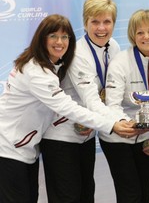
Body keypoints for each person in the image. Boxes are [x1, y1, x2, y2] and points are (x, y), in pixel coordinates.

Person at [0, 14, 134, 203]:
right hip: (8, 150)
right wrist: (112, 124)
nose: (60, 42)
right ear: (42, 38)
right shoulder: (37, 72)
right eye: (53, 36)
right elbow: (68, 107)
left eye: (65, 37)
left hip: (24, 148)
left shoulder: (48, 64)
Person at [40, 0, 131, 203]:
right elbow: (91, 100)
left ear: (114, 23)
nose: (101, 28)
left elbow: (111, 91)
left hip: (86, 135)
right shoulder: (77, 52)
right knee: (67, 197)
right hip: (60, 137)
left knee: (86, 195)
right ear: (85, 23)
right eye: (95, 22)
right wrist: (117, 123)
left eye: (107, 21)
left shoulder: (114, 47)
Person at [100, 9, 149, 203]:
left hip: (147, 136)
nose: (146, 37)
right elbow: (112, 105)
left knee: (145, 191)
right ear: (133, 36)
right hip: (118, 137)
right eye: (140, 32)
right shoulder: (120, 63)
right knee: (129, 194)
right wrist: (126, 125)